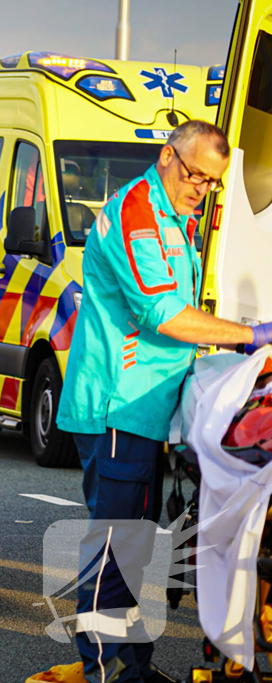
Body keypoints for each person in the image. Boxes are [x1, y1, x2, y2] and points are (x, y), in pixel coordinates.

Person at [55, 119, 272, 683]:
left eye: (212, 182)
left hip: (145, 408)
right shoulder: (138, 213)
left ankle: (134, 668)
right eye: (196, 174)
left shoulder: (174, 217)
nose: (201, 189)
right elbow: (164, 314)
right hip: (118, 405)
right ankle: (107, 672)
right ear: (167, 156)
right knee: (116, 546)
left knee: (135, 546)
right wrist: (249, 336)